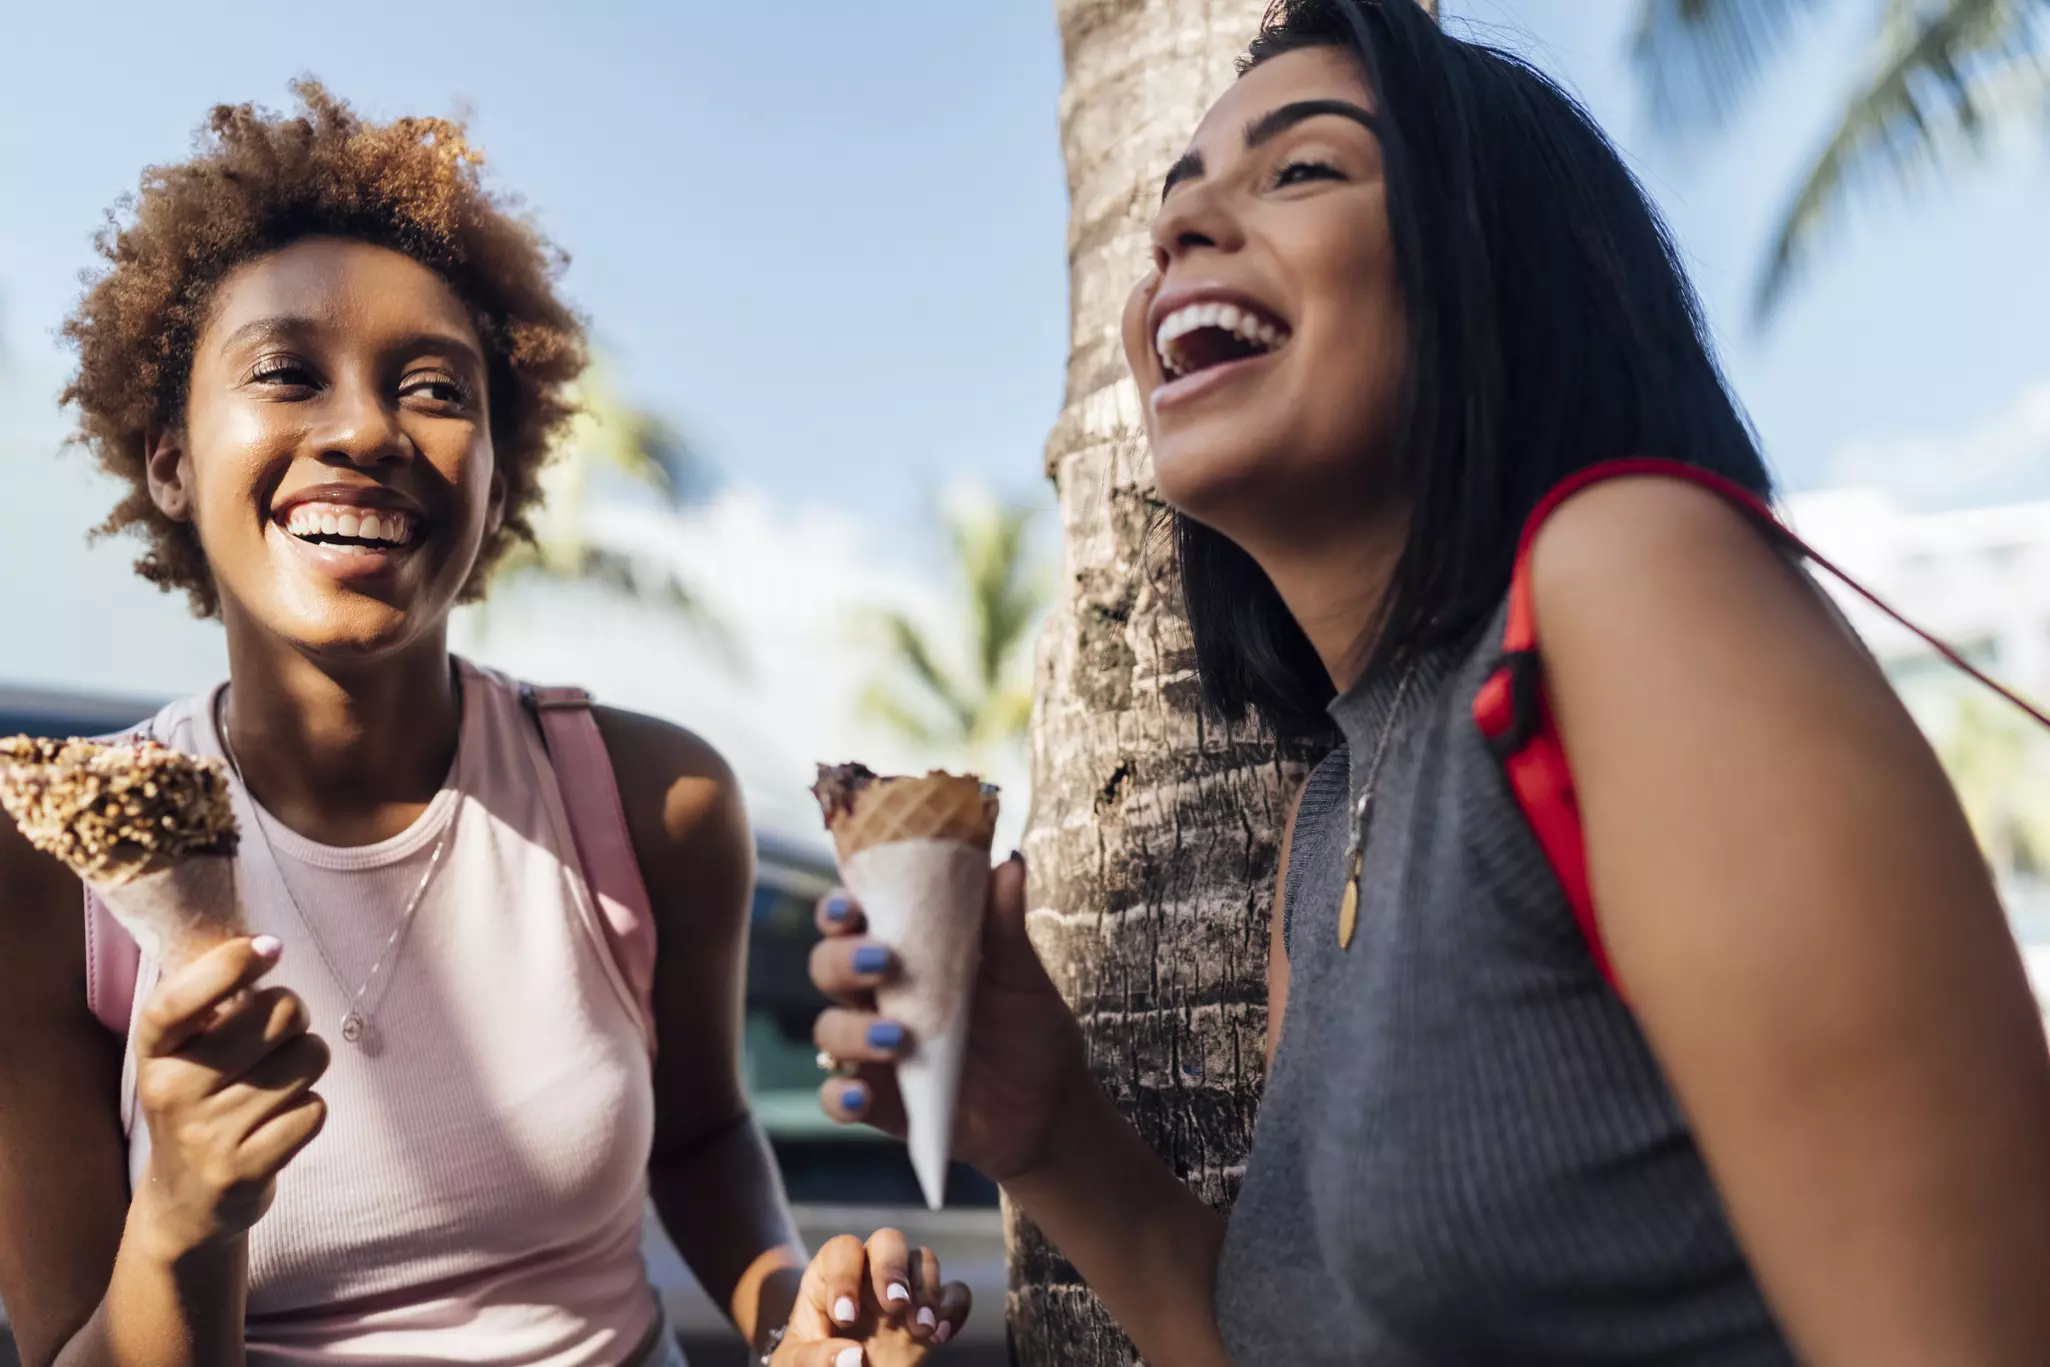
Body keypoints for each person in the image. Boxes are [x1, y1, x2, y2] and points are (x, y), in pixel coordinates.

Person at [808, 2, 2050, 1364]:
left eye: (1301, 170)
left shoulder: (1628, 579)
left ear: (1494, 270)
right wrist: (1049, 1135)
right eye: (1174, 204)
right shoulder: (1332, 807)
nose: (1176, 235)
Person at [0, 84, 966, 1367]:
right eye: (285, 373)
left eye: (434, 388)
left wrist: (810, 1318)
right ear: (169, 455)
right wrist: (180, 1217)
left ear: (500, 474)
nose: (361, 428)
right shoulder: (51, 865)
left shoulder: (646, 799)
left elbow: (700, 1137)